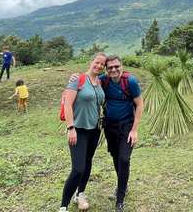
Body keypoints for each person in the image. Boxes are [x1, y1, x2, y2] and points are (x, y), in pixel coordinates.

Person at [71, 54, 143, 212]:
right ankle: (121, 187)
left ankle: (120, 200)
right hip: (110, 125)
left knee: (124, 159)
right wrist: (75, 77)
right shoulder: (105, 80)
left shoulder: (130, 81)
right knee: (116, 157)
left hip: (127, 125)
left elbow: (140, 105)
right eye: (109, 67)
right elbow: (90, 79)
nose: (113, 69)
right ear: (106, 69)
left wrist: (134, 130)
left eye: (116, 66)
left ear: (121, 66)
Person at [58, 52, 107, 212]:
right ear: (91, 61)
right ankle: (63, 206)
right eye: (97, 62)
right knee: (77, 169)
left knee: (87, 164)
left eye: (102, 64)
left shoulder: (99, 82)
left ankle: (80, 194)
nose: (99, 66)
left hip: (94, 130)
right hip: (78, 130)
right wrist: (70, 128)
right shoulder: (77, 80)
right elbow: (68, 105)